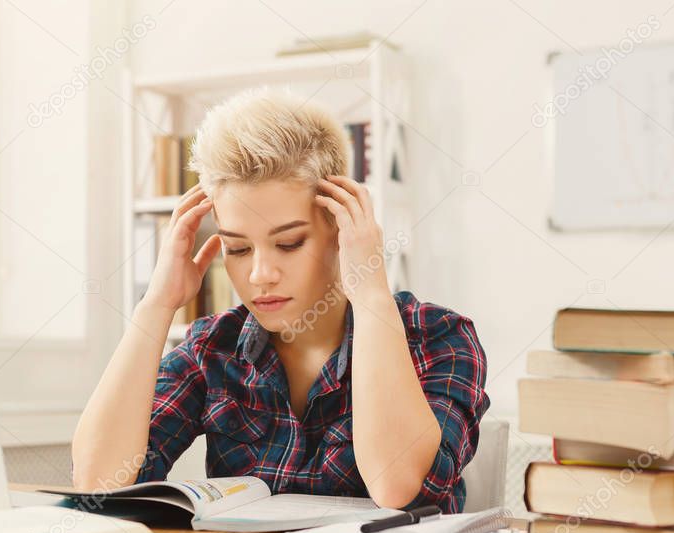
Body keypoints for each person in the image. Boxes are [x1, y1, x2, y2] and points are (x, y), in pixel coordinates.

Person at [72, 88, 489, 511]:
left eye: (289, 244)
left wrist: (371, 297)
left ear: (342, 230)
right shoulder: (211, 349)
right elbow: (97, 481)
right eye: (237, 249)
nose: (259, 275)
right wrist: (156, 305)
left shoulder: (439, 339)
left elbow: (397, 486)